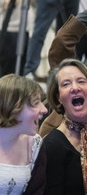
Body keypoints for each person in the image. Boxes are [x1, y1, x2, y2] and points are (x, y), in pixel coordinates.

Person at [44, 59, 87, 194]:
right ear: (58, 98)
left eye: (81, 81)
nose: (75, 88)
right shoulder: (52, 145)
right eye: (66, 84)